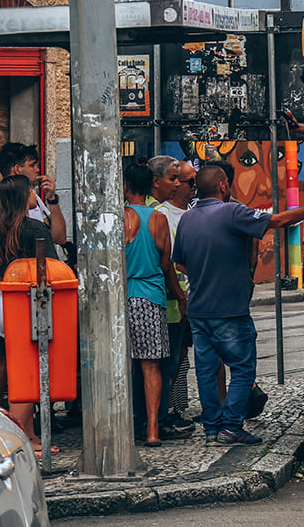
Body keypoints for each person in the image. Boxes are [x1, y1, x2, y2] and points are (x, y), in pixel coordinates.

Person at [173, 165, 304, 446]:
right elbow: (279, 221)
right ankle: (231, 426)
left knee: (207, 371)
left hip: (198, 309)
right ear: (222, 185)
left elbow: (181, 263)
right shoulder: (232, 212)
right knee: (243, 368)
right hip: (229, 309)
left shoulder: (187, 219)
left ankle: (212, 429)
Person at [0, 174, 58, 456]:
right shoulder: (34, 227)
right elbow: (52, 268)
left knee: (6, 367)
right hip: (28, 305)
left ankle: (23, 433)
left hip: (3, 304)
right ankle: (21, 438)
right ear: (22, 195)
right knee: (26, 374)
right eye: (30, 190)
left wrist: (12, 277)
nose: (34, 194)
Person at [123, 162, 186, 447]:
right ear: (150, 186)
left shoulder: (118, 217)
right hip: (151, 297)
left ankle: (124, 428)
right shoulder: (158, 219)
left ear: (125, 187)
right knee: (152, 367)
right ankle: (152, 431)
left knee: (124, 367)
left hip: (123, 296)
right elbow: (165, 263)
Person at [156, 160, 196, 431]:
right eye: (188, 182)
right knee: (170, 357)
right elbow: (166, 261)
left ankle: (178, 407)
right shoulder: (161, 214)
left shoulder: (194, 212)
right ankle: (168, 411)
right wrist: (180, 296)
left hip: (195, 296)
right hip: (172, 299)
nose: (192, 187)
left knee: (183, 356)